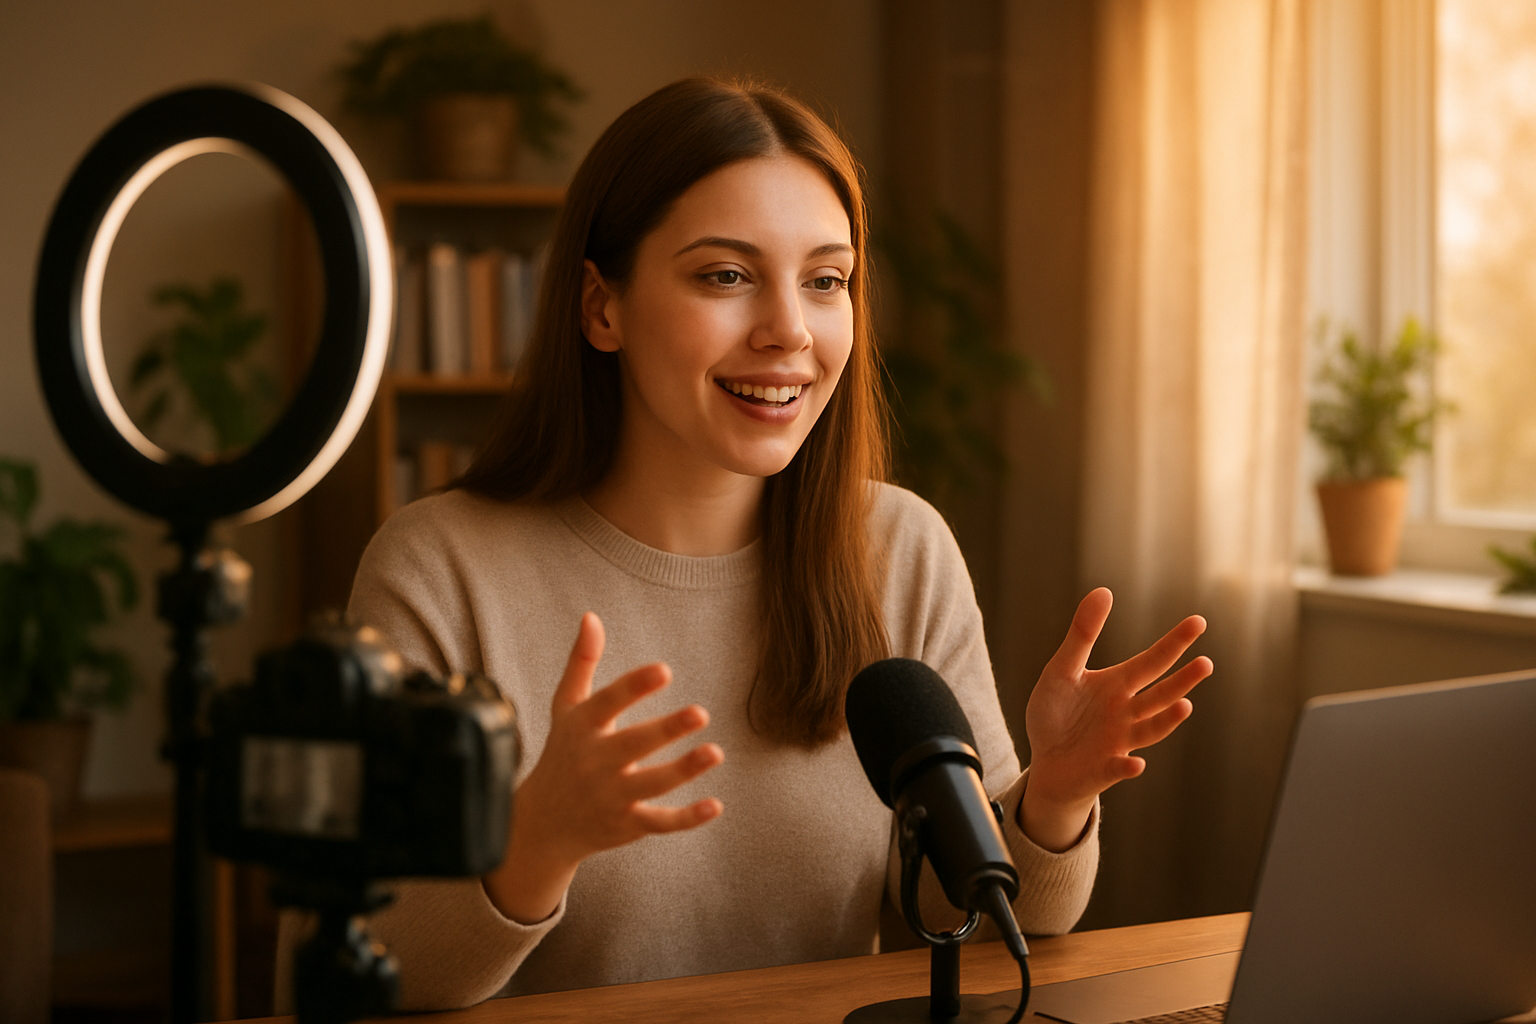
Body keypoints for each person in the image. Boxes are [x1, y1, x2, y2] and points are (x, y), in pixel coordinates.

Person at [277, 76, 1211, 1012]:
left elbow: (969, 915)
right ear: (601, 307)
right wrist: (537, 843)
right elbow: (337, 974)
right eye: (725, 275)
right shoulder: (441, 568)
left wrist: (1051, 801)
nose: (789, 331)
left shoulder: (899, 546)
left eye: (826, 280)